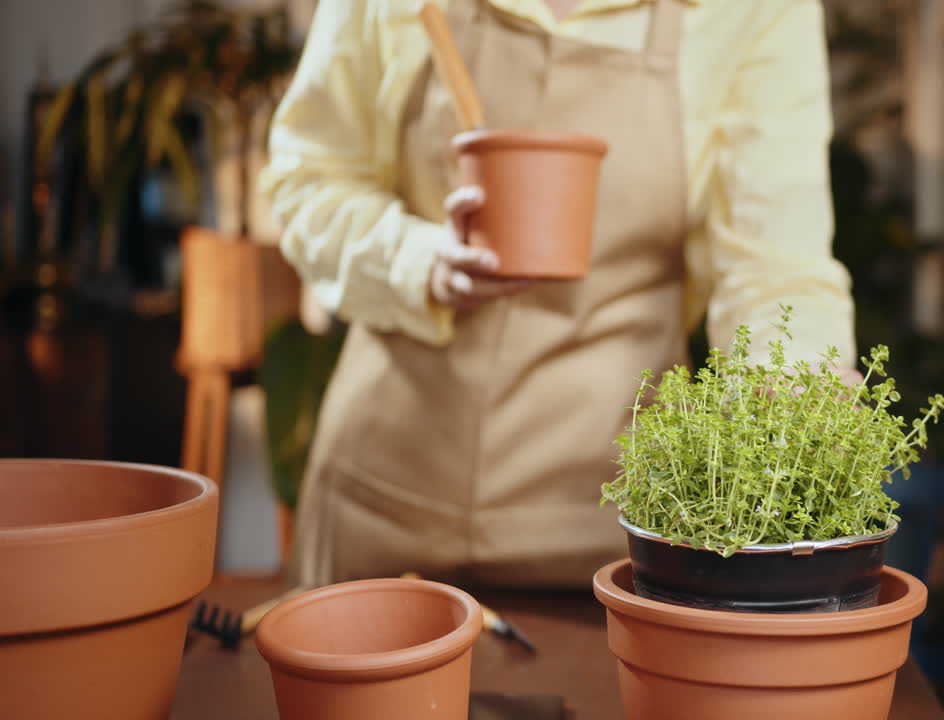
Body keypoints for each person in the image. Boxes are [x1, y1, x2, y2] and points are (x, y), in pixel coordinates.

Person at [260, 0, 857, 588]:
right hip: (381, 504)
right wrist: (419, 260)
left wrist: (795, 409)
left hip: (610, 533)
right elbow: (309, 178)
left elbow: (776, 267)